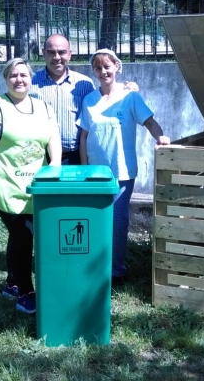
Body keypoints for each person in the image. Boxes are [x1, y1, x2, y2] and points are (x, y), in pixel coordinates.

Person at [0, 58, 62, 315]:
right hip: (6, 184)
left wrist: (55, 163)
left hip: (37, 186)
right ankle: (25, 291)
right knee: (23, 234)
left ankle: (11, 283)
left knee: (23, 235)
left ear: (31, 79)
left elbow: (52, 135)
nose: (19, 80)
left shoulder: (43, 106)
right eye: (13, 76)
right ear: (6, 79)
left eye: (23, 75)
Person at [76, 49, 170, 284]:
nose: (103, 71)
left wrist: (161, 137)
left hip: (122, 172)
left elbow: (149, 122)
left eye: (107, 66)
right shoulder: (89, 100)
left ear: (117, 66)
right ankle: (95, 265)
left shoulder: (130, 97)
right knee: (96, 220)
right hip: (95, 173)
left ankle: (116, 270)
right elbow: (84, 136)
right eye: (98, 68)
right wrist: (84, 167)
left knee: (117, 222)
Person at [0, 34, 137, 164]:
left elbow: (103, 102)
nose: (57, 57)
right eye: (51, 52)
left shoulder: (84, 84)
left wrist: (127, 90)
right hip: (39, 157)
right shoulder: (30, 83)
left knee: (73, 200)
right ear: (44, 53)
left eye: (62, 52)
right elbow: (14, 101)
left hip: (75, 156)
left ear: (70, 54)